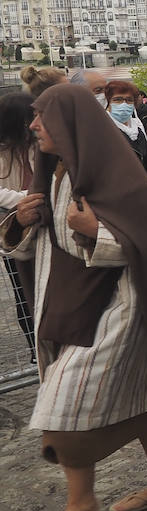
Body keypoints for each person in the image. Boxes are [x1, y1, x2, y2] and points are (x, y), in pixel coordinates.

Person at [0, 84, 147, 511]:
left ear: (70, 124)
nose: (34, 126)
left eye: (43, 118)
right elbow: (40, 246)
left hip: (120, 309)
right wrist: (22, 220)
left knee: (60, 415)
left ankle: (80, 505)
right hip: (67, 305)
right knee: (139, 397)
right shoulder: (56, 174)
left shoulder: (114, 175)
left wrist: (94, 232)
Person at [1, 92, 38, 360]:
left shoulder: (42, 146)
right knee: (23, 290)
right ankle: (36, 348)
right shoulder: (3, 152)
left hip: (44, 228)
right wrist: (27, 198)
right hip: (14, 233)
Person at [106, 79, 147, 177]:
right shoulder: (103, 130)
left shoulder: (138, 129)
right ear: (107, 103)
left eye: (129, 100)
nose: (124, 104)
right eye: (117, 100)